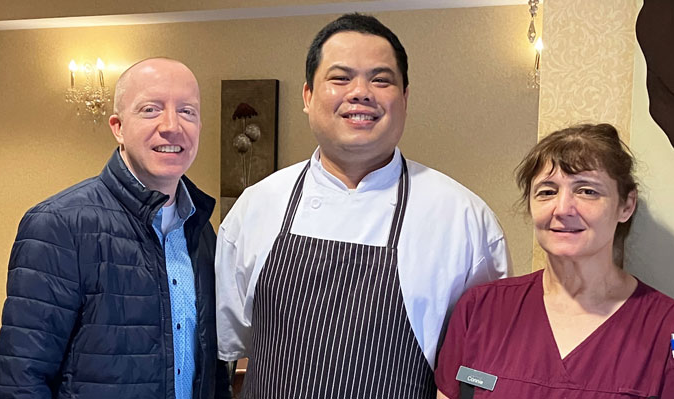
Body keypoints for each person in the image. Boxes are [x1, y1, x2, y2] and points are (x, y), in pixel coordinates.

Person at [215, 13, 510, 399]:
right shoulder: (257, 206)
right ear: (308, 96)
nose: (360, 92)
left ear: (405, 98)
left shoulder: (464, 219)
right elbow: (232, 345)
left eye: (381, 79)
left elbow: (479, 366)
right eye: (340, 78)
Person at [0, 58, 230, 399]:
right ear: (117, 126)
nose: (172, 125)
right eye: (150, 109)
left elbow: (211, 368)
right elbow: (21, 380)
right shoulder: (59, 226)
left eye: (187, 111)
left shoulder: (201, 230)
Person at [435, 123, 674, 398]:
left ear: (626, 205)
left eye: (587, 190)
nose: (562, 209)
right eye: (547, 191)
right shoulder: (480, 311)